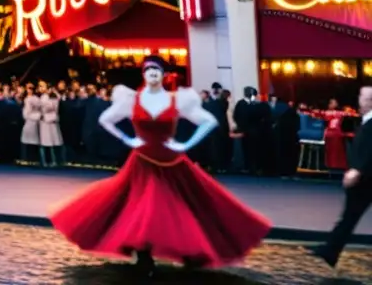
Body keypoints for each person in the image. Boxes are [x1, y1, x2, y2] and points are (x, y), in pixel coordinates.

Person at [49, 56, 271, 276]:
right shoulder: (131, 100)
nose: (153, 75)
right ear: (144, 75)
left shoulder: (176, 100)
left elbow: (209, 121)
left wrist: (186, 143)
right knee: (142, 206)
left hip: (171, 161)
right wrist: (128, 140)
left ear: (164, 76)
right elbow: (105, 119)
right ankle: (144, 254)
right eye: (148, 71)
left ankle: (189, 251)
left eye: (157, 71)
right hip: (142, 162)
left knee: (183, 206)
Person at [312, 86, 372, 269]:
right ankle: (331, 250)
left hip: (366, 179)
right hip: (364, 178)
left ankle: (331, 250)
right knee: (349, 216)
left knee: (349, 216)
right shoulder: (366, 121)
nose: (359, 100)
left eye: (362, 97)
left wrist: (357, 170)